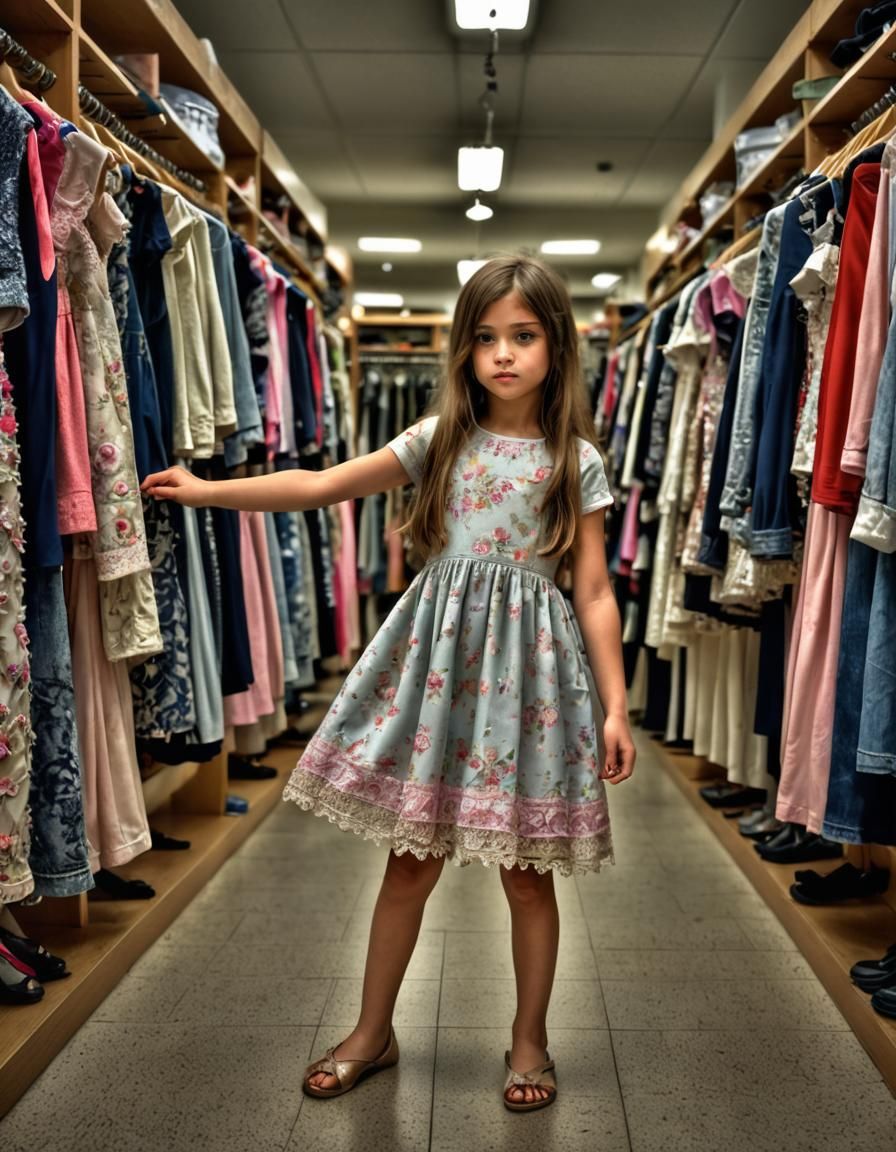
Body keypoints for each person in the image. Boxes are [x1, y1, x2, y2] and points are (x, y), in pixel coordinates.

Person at [142, 255, 636, 1112]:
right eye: (486, 338)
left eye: (523, 336)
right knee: (410, 861)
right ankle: (373, 1030)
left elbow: (592, 589)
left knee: (527, 872)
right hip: (440, 676)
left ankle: (529, 1039)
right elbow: (325, 484)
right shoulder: (439, 438)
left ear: (557, 345)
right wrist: (209, 490)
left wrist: (617, 703)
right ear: (464, 349)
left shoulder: (575, 461)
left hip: (531, 684)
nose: (504, 355)